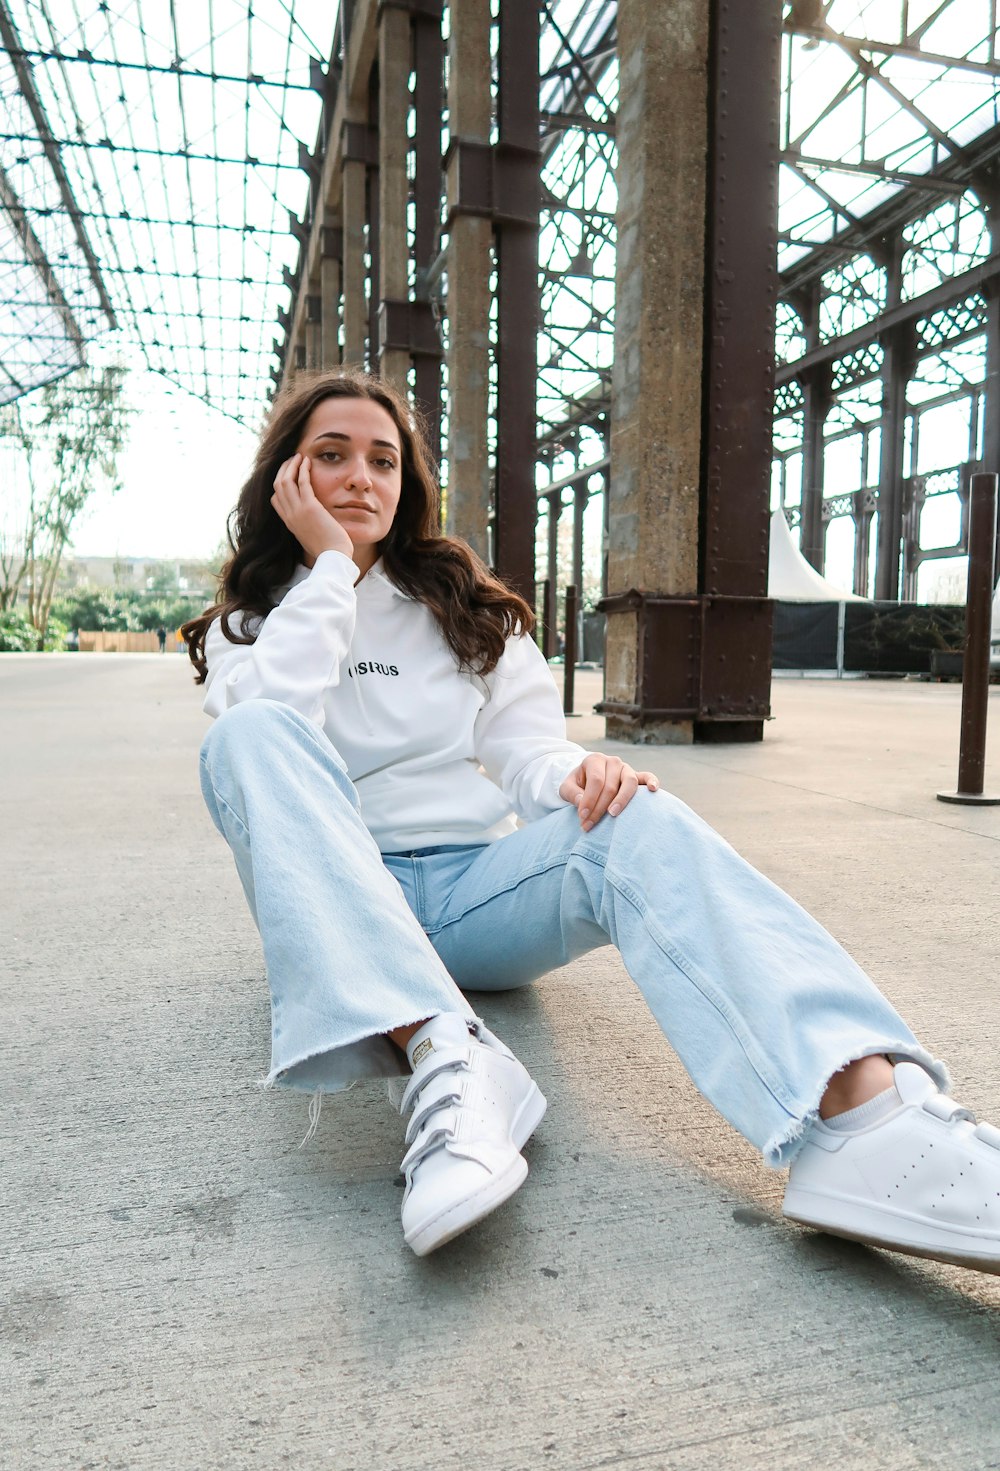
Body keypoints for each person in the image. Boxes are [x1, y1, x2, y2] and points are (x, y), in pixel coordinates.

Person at [182, 369, 1000, 1267]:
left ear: (408, 486)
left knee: (641, 818)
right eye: (330, 455)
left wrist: (584, 772)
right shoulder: (253, 624)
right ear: (287, 480)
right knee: (247, 735)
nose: (360, 478)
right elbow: (280, 733)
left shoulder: (465, 612)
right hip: (346, 904)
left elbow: (530, 754)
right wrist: (330, 567)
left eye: (383, 459)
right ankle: (449, 1059)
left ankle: (863, 1116)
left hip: (470, 891)